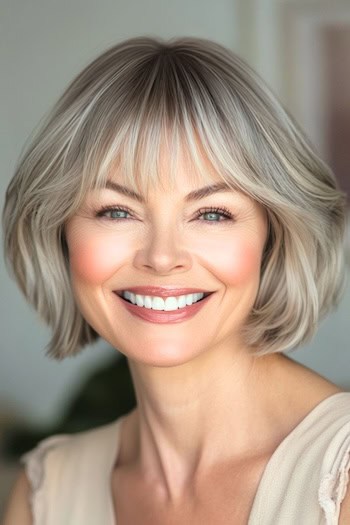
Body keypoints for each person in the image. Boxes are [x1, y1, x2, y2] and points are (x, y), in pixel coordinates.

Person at [1, 36, 349, 525]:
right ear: (57, 232)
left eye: (211, 213)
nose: (162, 257)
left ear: (276, 235)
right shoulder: (46, 495)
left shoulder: (341, 481)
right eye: (117, 210)